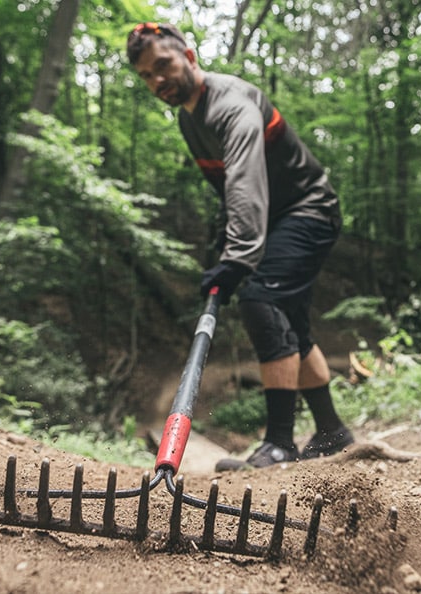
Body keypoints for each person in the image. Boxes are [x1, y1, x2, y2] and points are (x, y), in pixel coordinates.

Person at [127, 22, 353, 468]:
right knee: (290, 323)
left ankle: (280, 444)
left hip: (309, 208)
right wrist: (224, 244)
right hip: (272, 220)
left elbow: (247, 185)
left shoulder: (231, 103)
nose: (157, 81)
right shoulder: (188, 119)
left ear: (188, 56)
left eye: (163, 66)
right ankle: (331, 433)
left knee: (261, 298)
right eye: (146, 76)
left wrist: (239, 257)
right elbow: (227, 186)